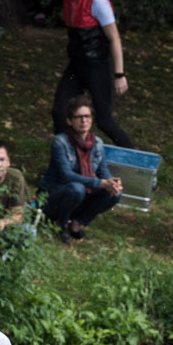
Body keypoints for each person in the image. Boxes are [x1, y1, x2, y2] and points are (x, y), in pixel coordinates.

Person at [53, 0, 131, 146]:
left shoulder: (97, 0)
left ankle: (133, 157)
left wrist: (119, 74)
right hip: (76, 66)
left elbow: (114, 38)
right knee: (59, 112)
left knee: (104, 120)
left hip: (96, 67)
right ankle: (70, 154)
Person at [42, 98, 124, 241]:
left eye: (87, 116)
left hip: (80, 195)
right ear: (69, 121)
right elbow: (66, 176)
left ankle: (77, 223)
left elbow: (104, 172)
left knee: (115, 194)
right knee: (77, 188)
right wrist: (100, 183)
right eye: (78, 117)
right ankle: (61, 223)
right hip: (56, 195)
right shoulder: (60, 142)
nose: (83, 121)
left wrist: (112, 183)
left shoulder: (98, 143)